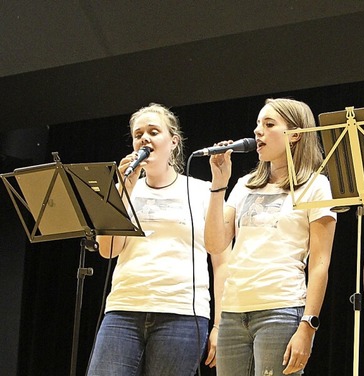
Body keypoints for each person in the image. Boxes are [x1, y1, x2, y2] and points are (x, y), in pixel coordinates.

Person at [87, 103, 224, 375]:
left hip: (182, 313)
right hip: (124, 308)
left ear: (173, 141)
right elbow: (108, 250)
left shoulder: (200, 191)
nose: (144, 139)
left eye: (153, 131)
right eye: (138, 134)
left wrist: (220, 325)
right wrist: (124, 189)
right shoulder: (124, 190)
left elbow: (221, 262)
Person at [203, 98, 337, 375]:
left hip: (281, 310)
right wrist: (219, 184)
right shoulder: (244, 185)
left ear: (295, 134)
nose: (257, 131)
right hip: (233, 313)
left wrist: (308, 326)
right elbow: (215, 244)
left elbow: (320, 263)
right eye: (257, 124)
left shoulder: (315, 185)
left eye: (269, 124)